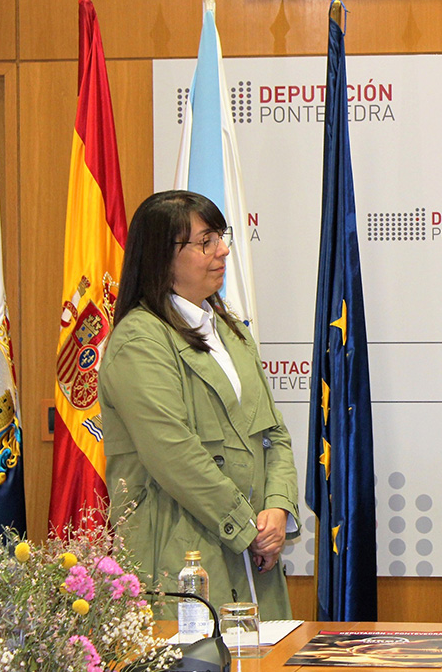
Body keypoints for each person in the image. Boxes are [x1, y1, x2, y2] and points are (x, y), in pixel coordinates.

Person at [99, 190, 300, 619]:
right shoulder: (140, 340)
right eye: (205, 241)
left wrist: (277, 507)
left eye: (220, 237)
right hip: (182, 561)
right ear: (162, 257)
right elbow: (174, 454)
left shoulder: (230, 330)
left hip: (253, 558)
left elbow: (274, 434)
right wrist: (247, 526)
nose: (223, 250)